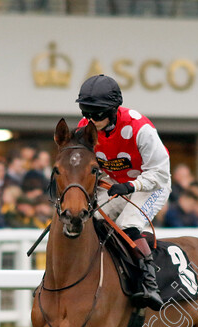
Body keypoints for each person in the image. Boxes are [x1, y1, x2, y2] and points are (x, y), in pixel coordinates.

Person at [76, 74, 170, 310]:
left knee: (129, 223)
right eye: (86, 113)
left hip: (152, 185)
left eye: (96, 114)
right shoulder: (86, 128)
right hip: (115, 184)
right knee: (94, 221)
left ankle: (150, 284)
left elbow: (160, 173)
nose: (91, 120)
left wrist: (130, 186)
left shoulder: (140, 129)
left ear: (113, 109)